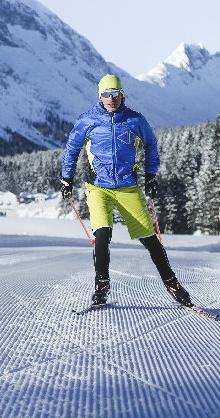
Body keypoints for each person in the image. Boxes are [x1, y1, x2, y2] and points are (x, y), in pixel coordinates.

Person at [60, 74, 194, 308]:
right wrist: (66, 178)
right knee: (102, 234)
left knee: (150, 239)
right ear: (99, 96)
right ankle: (101, 287)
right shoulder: (87, 120)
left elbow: (151, 145)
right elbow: (72, 149)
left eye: (115, 93)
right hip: (98, 187)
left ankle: (172, 284)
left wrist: (151, 175)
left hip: (127, 187)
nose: (111, 98)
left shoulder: (135, 120)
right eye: (106, 94)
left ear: (122, 94)